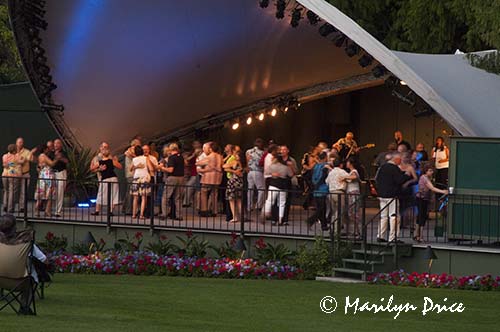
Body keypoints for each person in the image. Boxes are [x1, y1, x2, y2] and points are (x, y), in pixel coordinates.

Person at [0, 214, 47, 315]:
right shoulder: (24, 243)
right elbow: (43, 259)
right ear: (15, 227)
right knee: (31, 277)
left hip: (0, 279)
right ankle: (24, 306)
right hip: (20, 282)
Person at [375, 153, 411, 243]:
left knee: (383, 216)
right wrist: (407, 175)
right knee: (394, 216)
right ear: (396, 159)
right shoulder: (394, 168)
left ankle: (380, 235)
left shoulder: (382, 167)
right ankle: (393, 237)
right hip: (392, 195)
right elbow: (399, 180)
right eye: (400, 160)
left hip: (382, 195)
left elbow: (377, 179)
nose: (401, 162)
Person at [415, 164, 448, 242]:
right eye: (430, 170)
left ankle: (417, 234)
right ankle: (419, 235)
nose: (432, 172)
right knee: (421, 216)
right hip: (421, 198)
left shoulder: (428, 178)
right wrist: (443, 191)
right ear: (426, 171)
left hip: (425, 198)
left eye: (432, 170)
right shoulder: (424, 178)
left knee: (421, 216)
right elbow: (432, 188)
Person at [90, 142, 122, 216]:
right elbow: (120, 166)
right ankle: (110, 211)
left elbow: (91, 168)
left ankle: (97, 210)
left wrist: (94, 165)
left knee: (101, 194)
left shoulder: (100, 162)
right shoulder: (112, 161)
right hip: (113, 178)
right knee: (113, 194)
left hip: (105, 179)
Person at [264, 154, 294, 225]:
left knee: (270, 200)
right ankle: (280, 219)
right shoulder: (286, 167)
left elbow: (266, 173)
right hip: (283, 186)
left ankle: (266, 212)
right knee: (282, 203)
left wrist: (272, 174)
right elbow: (291, 175)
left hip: (273, 185)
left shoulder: (271, 166)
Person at [159, 143, 185, 221]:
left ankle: (164, 214)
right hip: (181, 178)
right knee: (178, 198)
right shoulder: (181, 157)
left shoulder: (171, 158)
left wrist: (162, 168)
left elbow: (170, 170)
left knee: (165, 196)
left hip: (172, 178)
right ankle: (179, 215)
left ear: (171, 149)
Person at [306, 152, 330, 231]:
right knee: (322, 208)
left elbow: (312, 177)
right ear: (325, 158)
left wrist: (314, 185)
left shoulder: (315, 166)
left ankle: (324, 225)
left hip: (316, 190)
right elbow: (323, 177)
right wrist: (318, 185)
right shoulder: (325, 166)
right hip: (322, 188)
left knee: (321, 208)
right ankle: (311, 220)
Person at [130, 145, 154, 220]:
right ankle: (141, 215)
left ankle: (133, 214)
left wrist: (136, 166)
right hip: (144, 178)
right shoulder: (146, 158)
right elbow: (151, 168)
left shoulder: (134, 159)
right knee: (144, 197)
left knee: (135, 197)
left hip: (136, 178)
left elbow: (130, 169)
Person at [325, 159, 348, 233]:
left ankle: (332, 227)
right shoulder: (342, 171)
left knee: (334, 211)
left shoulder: (331, 172)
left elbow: (327, 182)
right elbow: (349, 178)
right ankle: (336, 230)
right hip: (339, 192)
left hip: (331, 192)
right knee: (339, 211)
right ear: (341, 164)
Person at [197, 142, 219, 217]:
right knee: (214, 194)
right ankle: (214, 210)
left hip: (208, 177)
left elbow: (198, 163)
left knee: (204, 192)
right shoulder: (220, 156)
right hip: (217, 178)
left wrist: (205, 169)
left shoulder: (210, 156)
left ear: (210, 149)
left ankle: (204, 210)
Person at [33, 144, 55, 217]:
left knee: (42, 194)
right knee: (49, 194)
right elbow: (51, 164)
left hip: (42, 175)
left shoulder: (39, 156)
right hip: (47, 175)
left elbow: (38, 167)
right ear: (45, 149)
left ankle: (38, 211)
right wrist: (57, 158)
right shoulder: (43, 156)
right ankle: (47, 211)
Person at [223, 150, 244, 223]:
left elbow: (224, 166)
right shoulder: (242, 164)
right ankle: (241, 216)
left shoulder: (235, 162)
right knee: (239, 200)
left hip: (233, 181)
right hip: (240, 182)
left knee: (231, 200)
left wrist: (232, 170)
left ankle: (235, 217)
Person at [245, 138, 266, 212]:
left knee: (250, 189)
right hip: (258, 171)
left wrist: (247, 167)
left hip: (250, 171)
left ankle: (249, 206)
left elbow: (247, 161)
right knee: (261, 189)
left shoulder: (248, 151)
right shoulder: (262, 152)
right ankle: (258, 205)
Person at [280, 145, 298, 225]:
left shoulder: (291, 160)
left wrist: (291, 166)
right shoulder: (278, 159)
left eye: (284, 149)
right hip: (279, 181)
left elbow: (296, 171)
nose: (282, 151)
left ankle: (285, 218)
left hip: (288, 181)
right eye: (281, 150)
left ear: (288, 151)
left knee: (287, 200)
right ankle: (278, 217)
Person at [344, 158, 361, 237]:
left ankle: (357, 230)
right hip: (351, 193)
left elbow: (355, 177)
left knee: (353, 213)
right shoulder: (351, 172)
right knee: (351, 213)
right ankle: (355, 230)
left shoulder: (354, 171)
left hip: (353, 193)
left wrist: (345, 177)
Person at [123, 138, 141, 215]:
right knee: (131, 192)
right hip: (132, 174)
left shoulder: (128, 151)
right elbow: (135, 158)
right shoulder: (130, 151)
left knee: (129, 192)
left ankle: (125, 208)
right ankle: (129, 210)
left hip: (130, 174)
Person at [51, 139, 69, 217]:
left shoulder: (64, 153)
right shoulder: (51, 153)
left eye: (58, 143)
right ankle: (49, 209)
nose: (56, 145)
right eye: (55, 143)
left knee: (60, 192)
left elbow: (67, 161)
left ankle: (58, 211)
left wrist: (60, 158)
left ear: (60, 144)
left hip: (61, 173)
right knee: (51, 192)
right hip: (52, 174)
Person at [2, 144, 22, 213]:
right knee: (12, 191)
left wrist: (8, 165)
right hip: (12, 175)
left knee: (6, 190)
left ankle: (5, 205)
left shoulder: (4, 156)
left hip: (4, 174)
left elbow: (5, 164)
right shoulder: (16, 156)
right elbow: (18, 163)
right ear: (14, 150)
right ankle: (10, 208)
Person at [182, 141, 201, 208]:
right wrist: (193, 155)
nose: (194, 145)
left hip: (196, 172)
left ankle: (186, 202)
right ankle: (190, 202)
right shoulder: (192, 153)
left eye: (196, 144)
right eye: (194, 144)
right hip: (192, 172)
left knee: (189, 186)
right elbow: (186, 160)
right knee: (191, 188)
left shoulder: (201, 153)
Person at [15, 137, 32, 212]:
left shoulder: (27, 151)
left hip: (25, 174)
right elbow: (10, 162)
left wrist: (23, 160)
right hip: (15, 174)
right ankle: (10, 207)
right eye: (19, 142)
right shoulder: (13, 152)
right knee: (14, 191)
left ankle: (22, 207)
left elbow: (28, 159)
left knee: (23, 191)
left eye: (21, 142)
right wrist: (20, 161)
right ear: (16, 143)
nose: (20, 144)